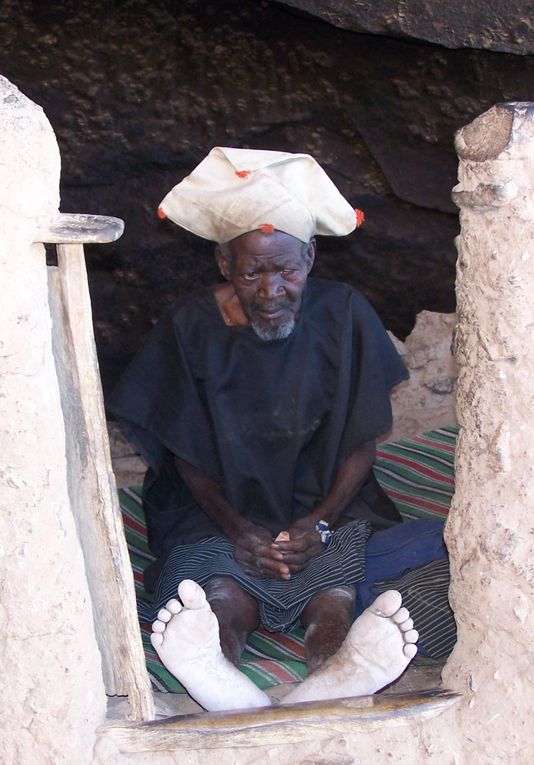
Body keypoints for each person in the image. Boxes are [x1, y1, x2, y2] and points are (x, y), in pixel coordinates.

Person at [108, 147, 418, 711]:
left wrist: (319, 525)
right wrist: (238, 530)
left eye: (287, 271)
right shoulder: (190, 325)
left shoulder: (345, 313)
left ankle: (335, 672)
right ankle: (218, 673)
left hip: (325, 503)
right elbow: (186, 455)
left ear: (311, 258)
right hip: (214, 510)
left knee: (334, 596)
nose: (272, 291)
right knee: (222, 597)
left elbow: (361, 441)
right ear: (225, 265)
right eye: (253, 272)